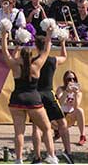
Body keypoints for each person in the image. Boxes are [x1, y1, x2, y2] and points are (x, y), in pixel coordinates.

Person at [1, 24, 58, 164]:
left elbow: (5, 51)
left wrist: (4, 36)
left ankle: (19, 159)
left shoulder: (14, 66)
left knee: (19, 132)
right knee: (46, 128)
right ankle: (51, 156)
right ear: (31, 56)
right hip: (33, 100)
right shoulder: (36, 65)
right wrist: (49, 35)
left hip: (17, 99)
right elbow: (46, 50)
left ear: (20, 56)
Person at [31, 34, 72, 163]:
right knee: (62, 123)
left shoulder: (33, 61)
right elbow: (64, 57)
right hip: (48, 94)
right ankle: (68, 152)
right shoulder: (52, 60)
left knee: (36, 127)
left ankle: (37, 157)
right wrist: (63, 42)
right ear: (48, 45)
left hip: (36, 94)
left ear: (36, 46)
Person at [56, 71, 86, 146]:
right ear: (65, 80)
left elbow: (76, 107)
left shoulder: (79, 93)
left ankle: (83, 136)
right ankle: (57, 131)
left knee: (80, 110)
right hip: (59, 116)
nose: (72, 81)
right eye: (69, 79)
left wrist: (75, 94)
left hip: (70, 116)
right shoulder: (60, 89)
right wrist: (66, 91)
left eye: (74, 79)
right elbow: (60, 103)